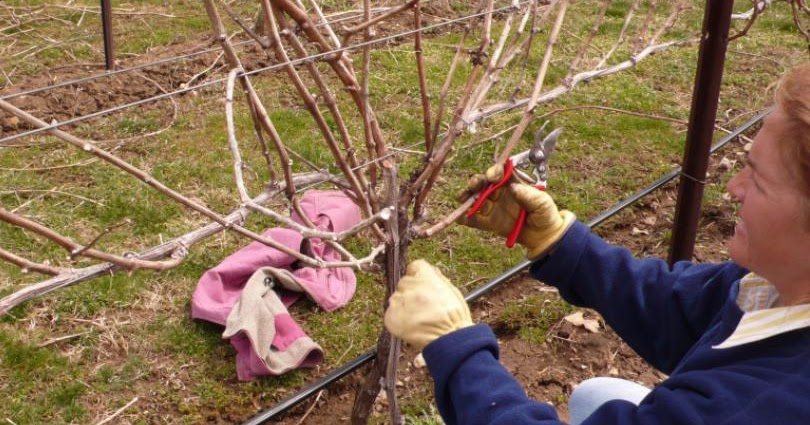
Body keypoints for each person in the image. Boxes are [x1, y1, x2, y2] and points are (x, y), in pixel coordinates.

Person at [384, 62, 810, 425]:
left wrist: (455, 348)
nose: (733, 187)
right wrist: (561, 243)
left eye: (758, 179)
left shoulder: (762, 405)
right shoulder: (779, 287)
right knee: (597, 394)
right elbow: (682, 309)